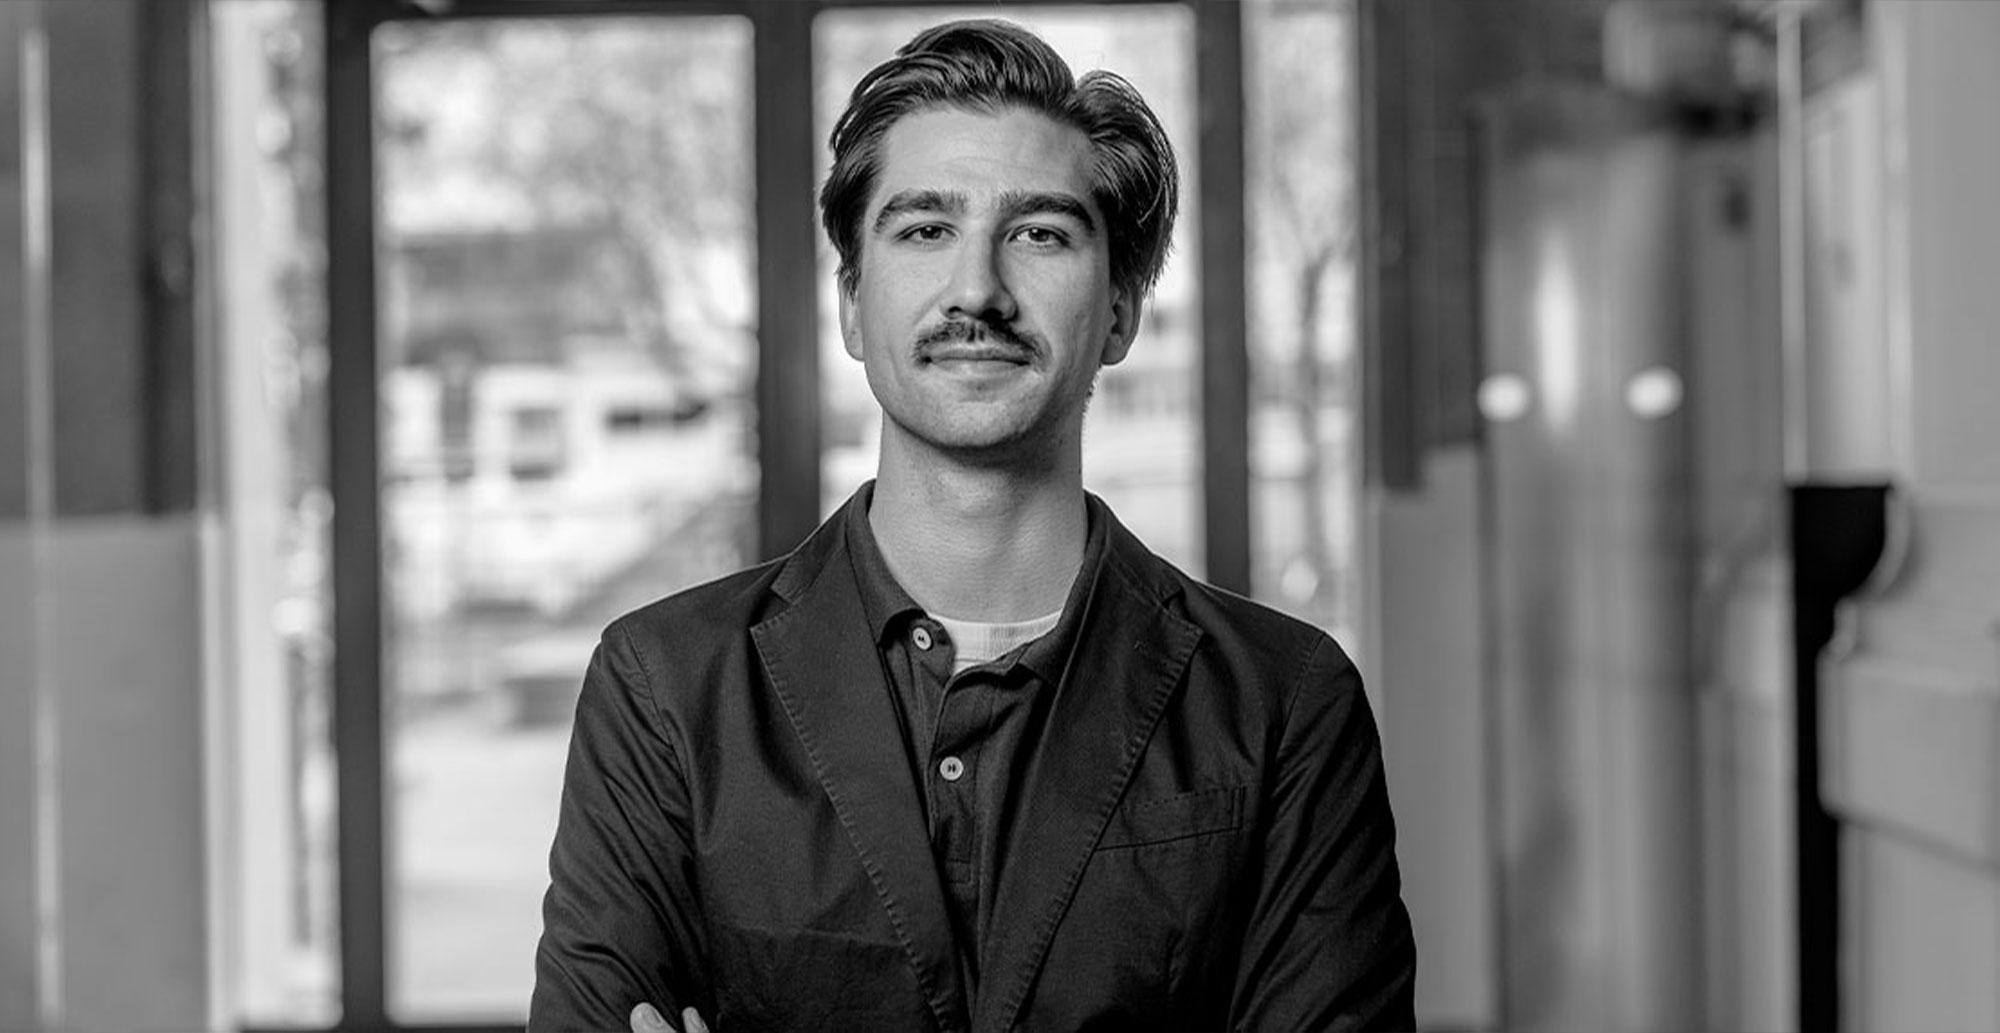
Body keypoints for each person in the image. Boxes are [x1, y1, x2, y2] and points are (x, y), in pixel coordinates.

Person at [529, 18, 1415, 1033]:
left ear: (1120, 310)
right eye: (923, 230)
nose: (977, 291)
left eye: (1040, 233)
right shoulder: (664, 688)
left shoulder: (1285, 703)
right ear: (852, 303)